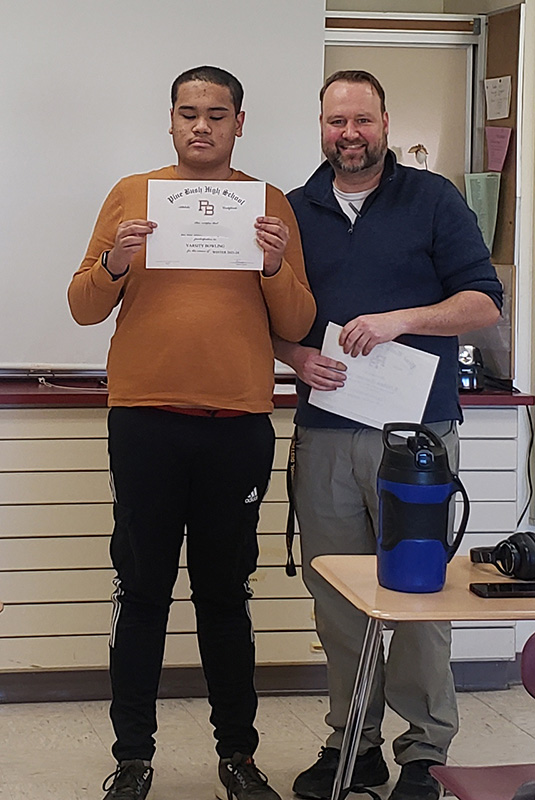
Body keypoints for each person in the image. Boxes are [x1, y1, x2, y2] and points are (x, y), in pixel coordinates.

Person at [68, 65, 315, 800]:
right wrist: (115, 260)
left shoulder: (268, 203)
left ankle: (236, 756)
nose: (201, 126)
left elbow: (297, 324)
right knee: (141, 590)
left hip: (237, 424)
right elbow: (83, 306)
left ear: (240, 122)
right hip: (144, 420)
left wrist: (272, 263)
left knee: (223, 594)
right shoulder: (131, 193)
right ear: (169, 122)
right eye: (187, 113)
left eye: (216, 114)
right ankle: (133, 756)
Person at [275, 70, 503, 800]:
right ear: (320, 125)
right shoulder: (290, 210)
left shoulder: (433, 199)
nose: (349, 134)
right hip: (327, 432)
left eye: (363, 121)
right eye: (336, 121)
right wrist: (293, 356)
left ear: (382, 122)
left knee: (417, 594)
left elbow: (481, 305)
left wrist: (404, 319)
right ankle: (354, 741)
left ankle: (424, 754)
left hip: (417, 439)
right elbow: (262, 315)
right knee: (337, 599)